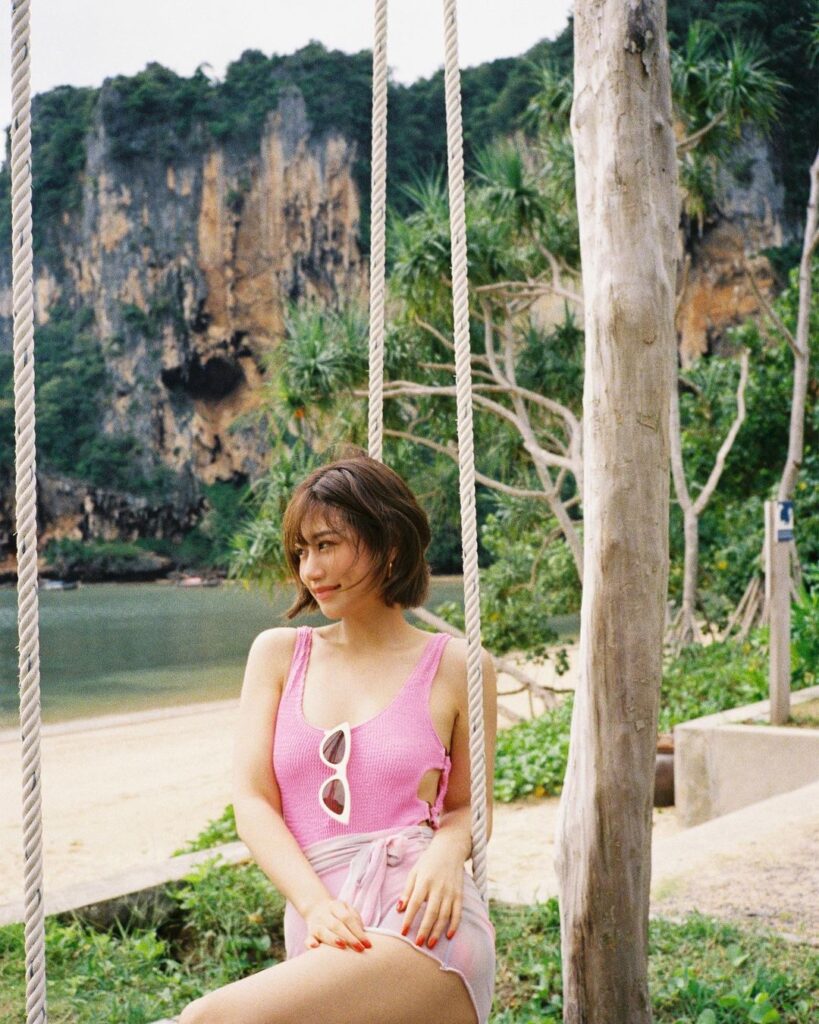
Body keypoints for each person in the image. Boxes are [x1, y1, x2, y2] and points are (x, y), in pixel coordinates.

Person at [180, 451, 497, 1024]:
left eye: (326, 545)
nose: (310, 570)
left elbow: (468, 807)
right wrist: (315, 905)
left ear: (390, 543)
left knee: (212, 1019)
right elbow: (253, 802)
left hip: (425, 920)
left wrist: (448, 854)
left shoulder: (457, 665)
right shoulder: (279, 655)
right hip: (323, 924)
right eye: (302, 551)